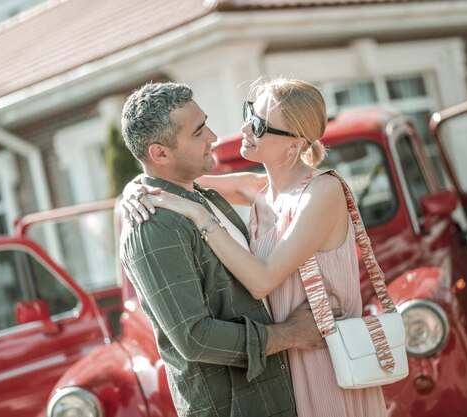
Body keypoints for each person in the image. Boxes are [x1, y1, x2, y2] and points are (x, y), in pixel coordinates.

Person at [124, 78, 388, 417]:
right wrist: (134, 188)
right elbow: (172, 177)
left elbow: (262, 281)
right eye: (249, 113)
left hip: (324, 356)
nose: (244, 128)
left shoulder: (322, 193)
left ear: (296, 143)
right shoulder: (261, 191)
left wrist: (198, 214)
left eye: (260, 125)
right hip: (282, 361)